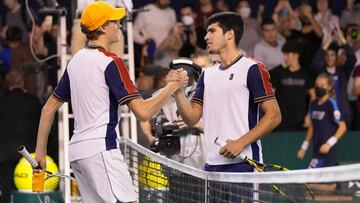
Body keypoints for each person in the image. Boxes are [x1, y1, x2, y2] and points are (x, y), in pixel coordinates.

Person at [33, 2, 188, 203]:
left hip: (78, 154)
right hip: (101, 151)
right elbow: (143, 112)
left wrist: (40, 153)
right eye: (115, 21)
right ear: (103, 27)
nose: (120, 25)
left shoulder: (76, 60)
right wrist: (172, 87)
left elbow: (48, 109)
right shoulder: (112, 62)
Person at [169, 12, 281, 202]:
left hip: (243, 167)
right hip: (211, 168)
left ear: (229, 34)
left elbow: (274, 116)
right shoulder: (207, 74)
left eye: (212, 31)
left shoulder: (253, 68)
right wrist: (177, 91)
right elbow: (191, 118)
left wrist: (240, 143)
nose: (206, 37)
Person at [0, 70, 42, 203]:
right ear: (21, 82)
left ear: (7, 84)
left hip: (4, 153)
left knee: (7, 191)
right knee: (29, 191)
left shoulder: (2, 102)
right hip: (28, 154)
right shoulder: (33, 101)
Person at [297, 73, 347, 168]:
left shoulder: (331, 104)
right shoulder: (313, 103)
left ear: (329, 87)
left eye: (322, 85)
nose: (319, 87)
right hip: (316, 150)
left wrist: (329, 144)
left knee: (314, 180)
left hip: (327, 152)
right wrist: (304, 147)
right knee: (319, 182)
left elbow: (343, 126)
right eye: (317, 85)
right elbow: (312, 126)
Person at [270, 41, 315, 131]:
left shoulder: (305, 74)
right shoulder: (278, 72)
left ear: (296, 55)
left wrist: (309, 115)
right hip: (280, 120)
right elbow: (270, 95)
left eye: (287, 54)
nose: (285, 57)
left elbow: (313, 96)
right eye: (284, 54)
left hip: (300, 120)